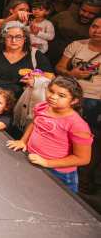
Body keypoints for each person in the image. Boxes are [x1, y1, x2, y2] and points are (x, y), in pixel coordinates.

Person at [7, 77, 93, 194]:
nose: (52, 96)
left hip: (59, 172)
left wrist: (47, 163)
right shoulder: (43, 107)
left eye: (61, 96)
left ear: (74, 101)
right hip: (34, 159)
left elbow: (83, 158)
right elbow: (34, 123)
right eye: (51, 91)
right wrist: (23, 141)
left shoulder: (77, 125)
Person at [54, 16, 101, 194]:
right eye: (94, 26)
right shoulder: (77, 45)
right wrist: (70, 73)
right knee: (63, 133)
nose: (97, 31)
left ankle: (87, 175)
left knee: (94, 139)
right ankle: (60, 167)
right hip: (72, 96)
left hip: (96, 99)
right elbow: (59, 67)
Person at [0, 21, 53, 99]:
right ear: (3, 38)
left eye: (18, 37)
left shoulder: (35, 55)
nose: (14, 40)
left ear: (25, 38)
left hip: (20, 102)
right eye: (9, 36)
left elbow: (51, 79)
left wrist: (36, 82)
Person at [47, 0, 101, 68]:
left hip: (83, 68)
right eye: (83, 10)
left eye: (92, 13)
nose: (85, 15)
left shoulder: (97, 29)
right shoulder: (63, 16)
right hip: (52, 62)